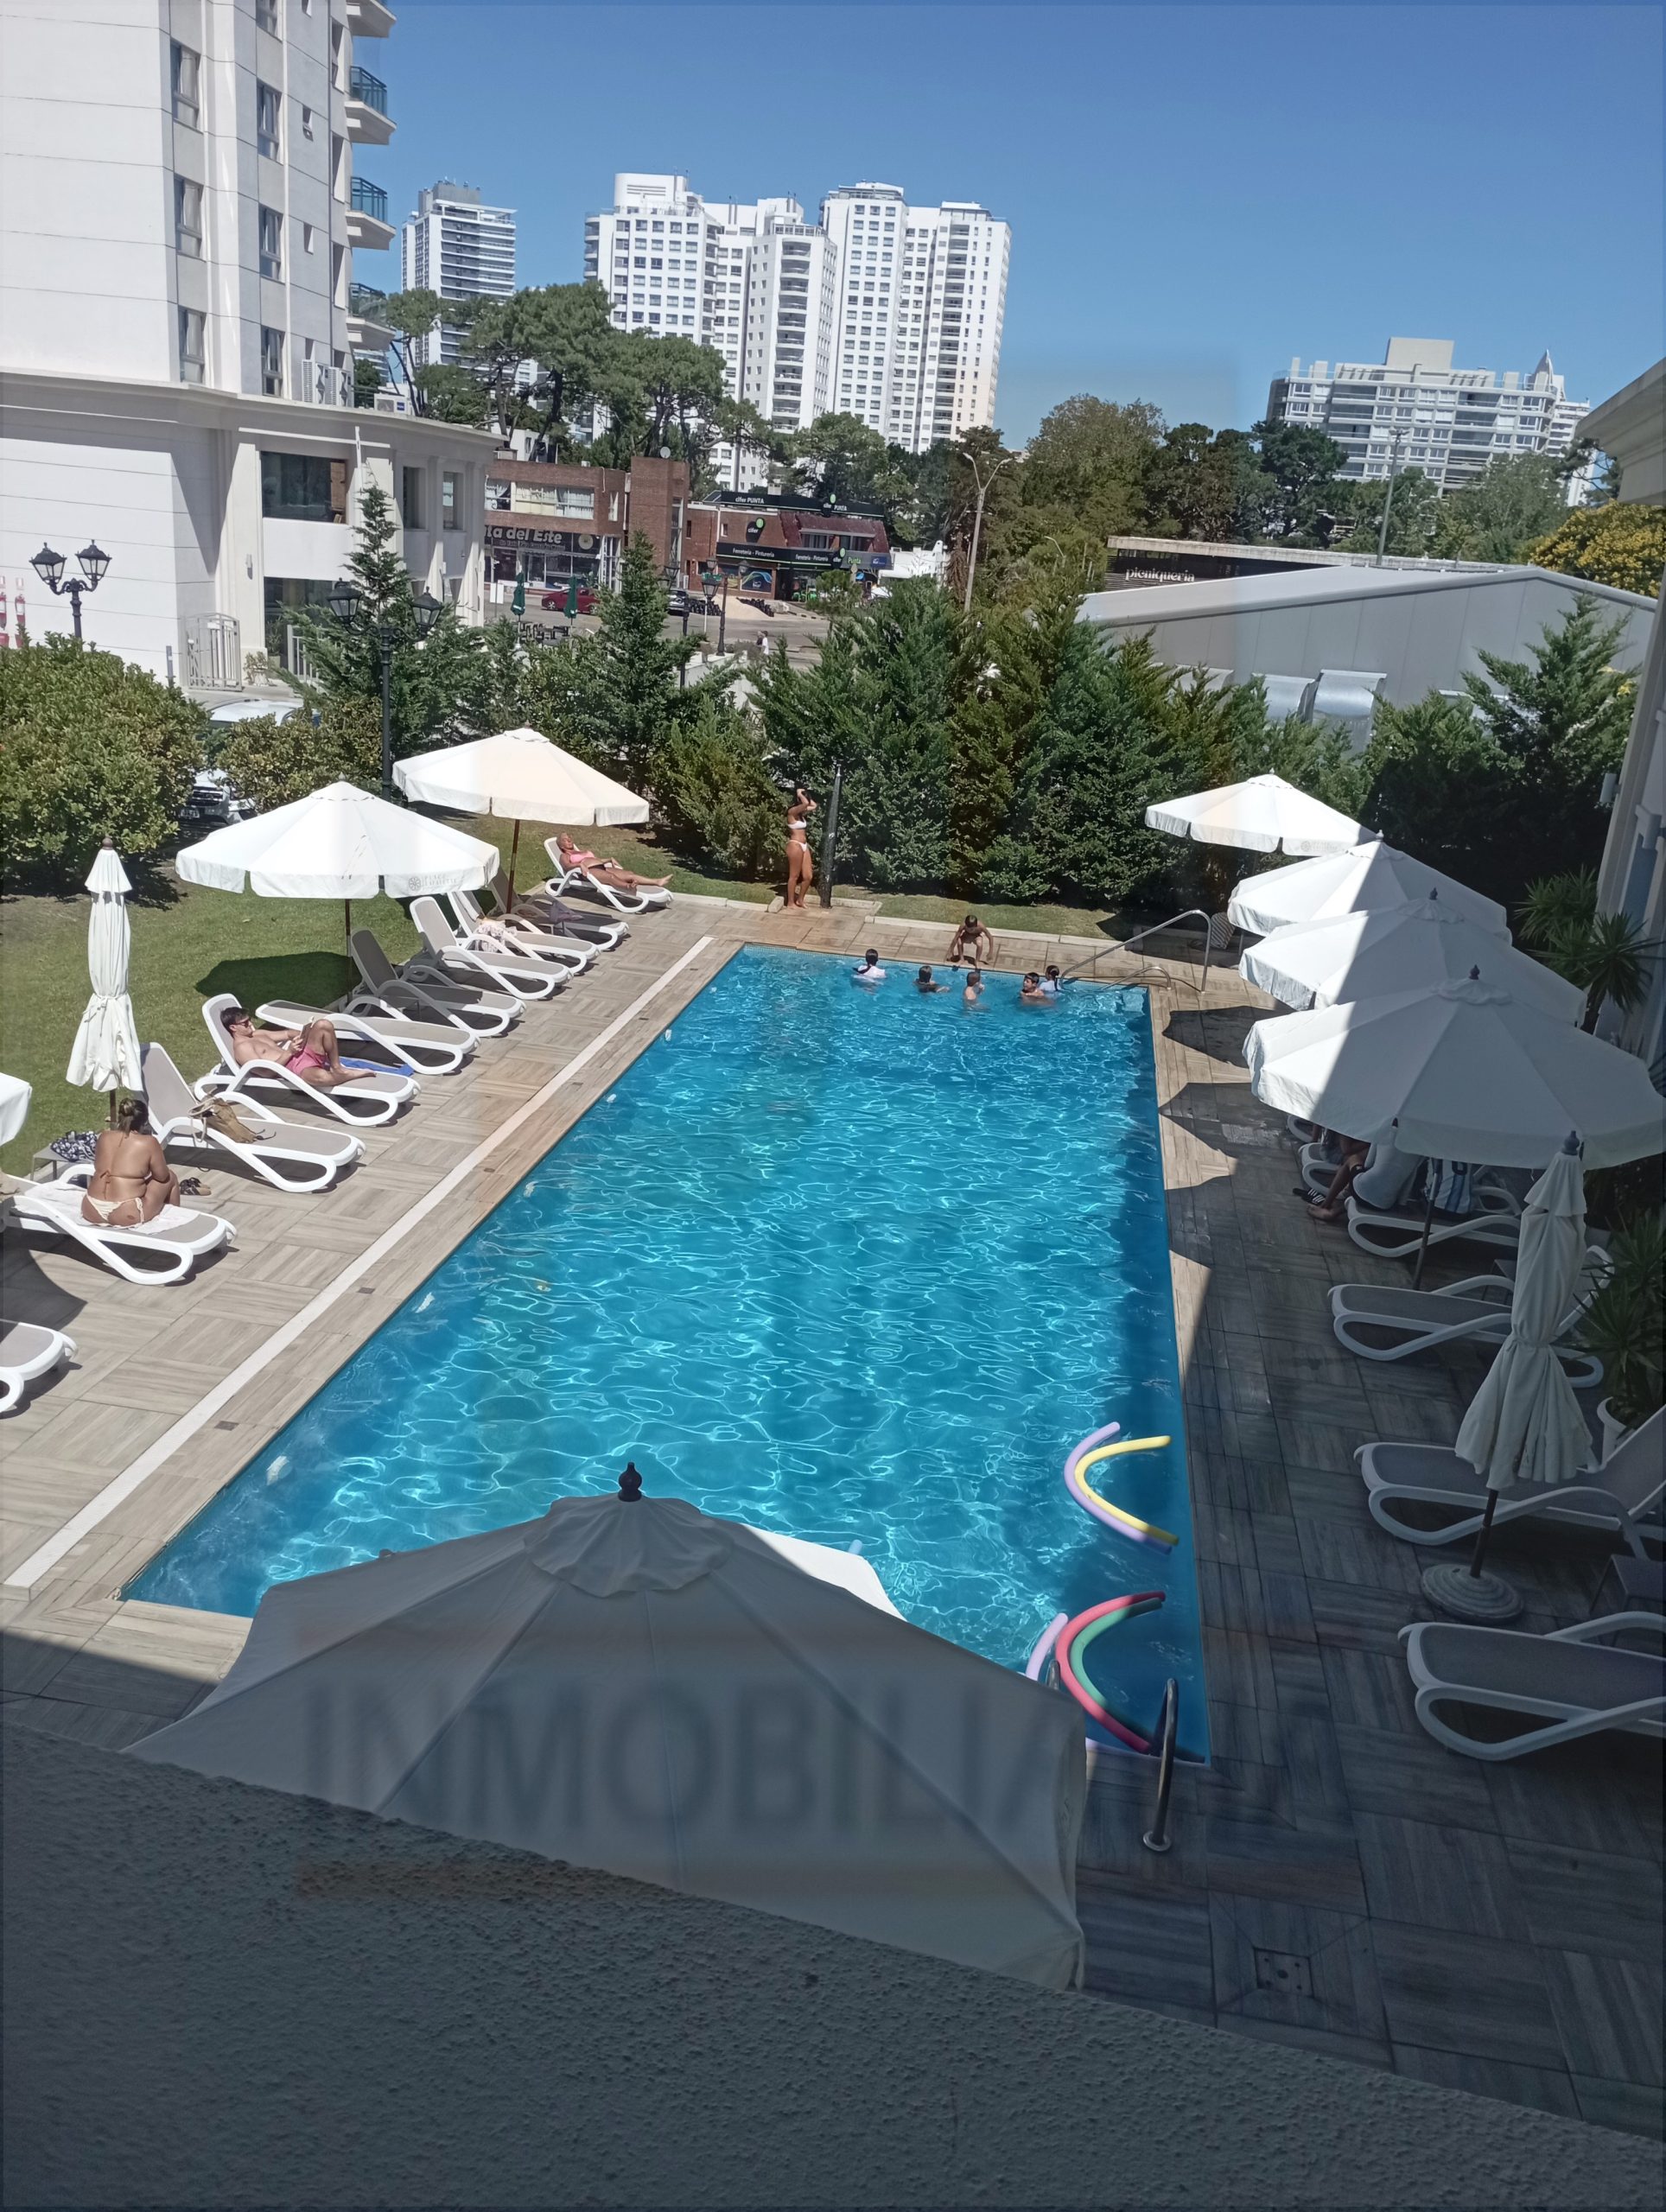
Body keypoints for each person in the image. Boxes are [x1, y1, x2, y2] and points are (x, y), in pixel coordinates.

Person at [80, 1097, 181, 1226]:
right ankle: (175, 1223)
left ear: (120, 1117)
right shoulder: (149, 1142)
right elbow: (162, 1177)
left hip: (91, 1208)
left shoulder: (104, 1136)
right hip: (126, 1212)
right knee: (171, 1177)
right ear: (145, 1121)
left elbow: (100, 1166)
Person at [224, 1007, 359, 1092]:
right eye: (245, 1023)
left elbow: (287, 1034)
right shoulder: (242, 1048)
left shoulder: (257, 1034)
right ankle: (357, 1074)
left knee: (323, 1024)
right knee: (323, 1078)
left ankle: (337, 1067)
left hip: (300, 1053)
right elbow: (266, 1072)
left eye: (249, 1020)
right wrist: (289, 1052)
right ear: (233, 1028)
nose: (251, 1024)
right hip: (292, 1067)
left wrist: (303, 1035)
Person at [552, 831, 670, 892]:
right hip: (588, 873)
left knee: (629, 874)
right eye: (565, 840)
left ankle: (657, 881)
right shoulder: (565, 855)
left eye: (569, 838)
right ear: (561, 845)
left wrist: (609, 859)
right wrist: (580, 865)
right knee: (611, 878)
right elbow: (567, 866)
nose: (569, 840)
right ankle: (628, 887)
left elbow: (595, 860)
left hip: (600, 867)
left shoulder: (580, 851)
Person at [785, 787, 816, 911]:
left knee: (808, 876)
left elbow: (813, 805)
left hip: (804, 845)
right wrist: (799, 793)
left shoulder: (801, 814)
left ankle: (800, 900)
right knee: (794, 876)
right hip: (795, 845)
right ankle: (790, 902)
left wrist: (806, 795)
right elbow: (806, 803)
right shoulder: (792, 812)